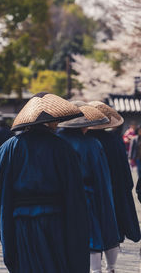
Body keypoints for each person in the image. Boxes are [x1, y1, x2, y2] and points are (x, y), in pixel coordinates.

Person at [0, 92, 90, 273]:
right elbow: (74, 193)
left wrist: (5, 224)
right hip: (55, 221)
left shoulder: (8, 148)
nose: (57, 124)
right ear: (48, 122)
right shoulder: (62, 148)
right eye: (55, 120)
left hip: (21, 223)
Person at [58, 101, 120, 273]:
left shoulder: (55, 142)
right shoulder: (91, 144)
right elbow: (101, 177)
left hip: (58, 198)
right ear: (85, 126)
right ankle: (97, 270)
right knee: (91, 236)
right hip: (87, 196)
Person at [88, 101, 141, 271]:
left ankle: (96, 269)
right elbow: (126, 173)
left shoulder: (84, 141)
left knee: (93, 231)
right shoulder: (115, 141)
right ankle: (111, 267)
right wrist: (126, 189)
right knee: (113, 229)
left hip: (90, 192)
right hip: (115, 191)